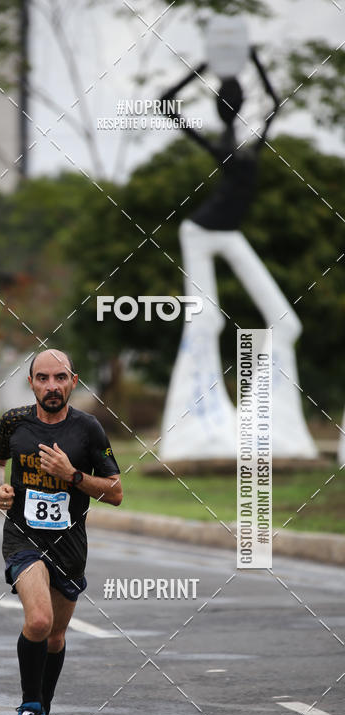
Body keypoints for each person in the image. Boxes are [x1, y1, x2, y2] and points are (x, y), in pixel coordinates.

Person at [158, 48, 316, 460]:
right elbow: (165, 104)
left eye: (237, 97)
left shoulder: (250, 143)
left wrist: (252, 59)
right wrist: (204, 66)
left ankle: (264, 426)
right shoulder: (224, 145)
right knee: (204, 321)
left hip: (228, 233)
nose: (234, 103)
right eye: (228, 99)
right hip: (199, 232)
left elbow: (275, 101)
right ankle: (200, 424)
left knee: (286, 323)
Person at [0, 349, 122, 715]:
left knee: (56, 636)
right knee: (39, 621)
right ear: (31, 383)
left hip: (69, 546)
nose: (51, 386)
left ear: (73, 381)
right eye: (42, 378)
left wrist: (72, 475)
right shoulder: (13, 422)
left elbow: (115, 492)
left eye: (60, 378)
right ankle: (29, 708)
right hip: (23, 538)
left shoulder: (88, 429)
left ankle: (42, 712)